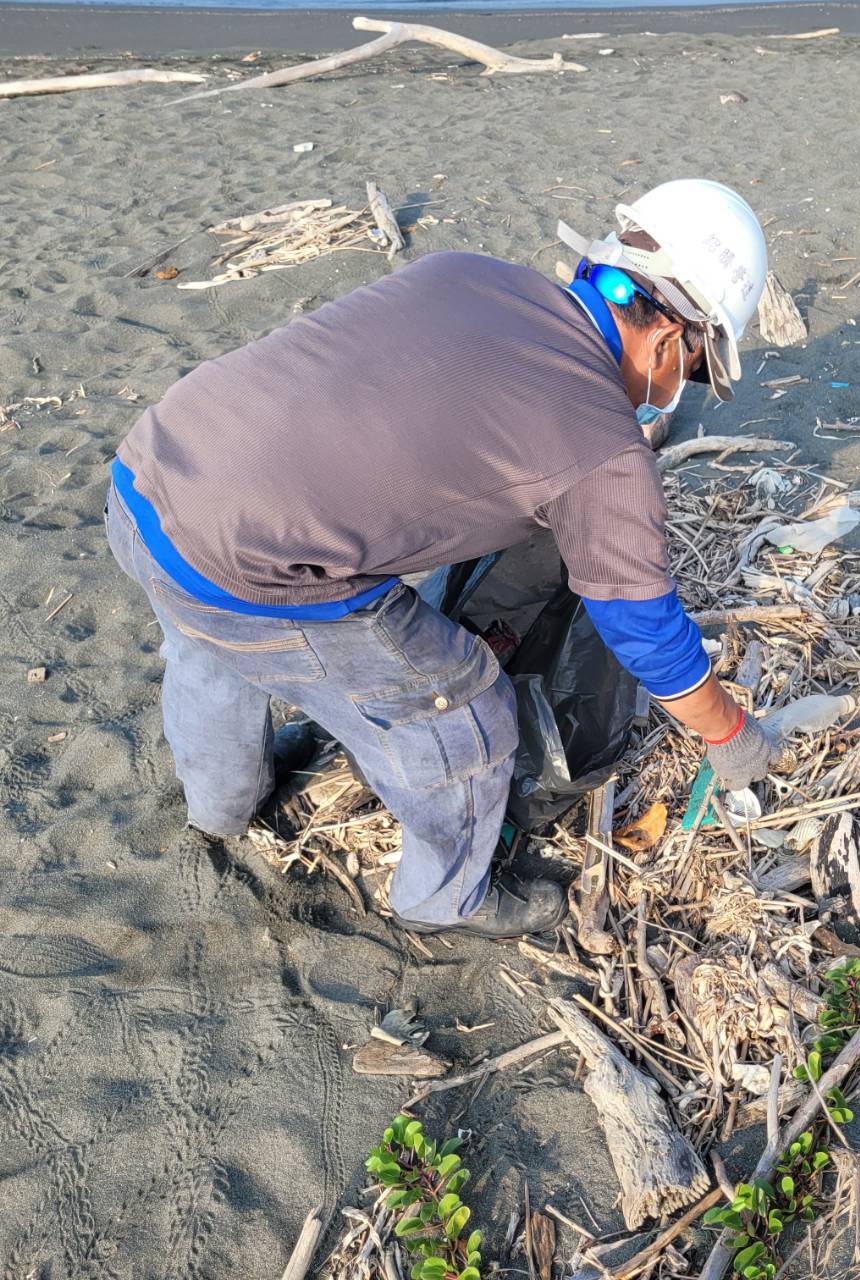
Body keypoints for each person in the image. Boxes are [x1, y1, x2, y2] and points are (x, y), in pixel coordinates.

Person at [105, 178, 778, 940]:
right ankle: (443, 898)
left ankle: (221, 808)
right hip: (250, 576)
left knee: (206, 647)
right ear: (669, 342)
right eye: (693, 369)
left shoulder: (469, 271)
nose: (678, 387)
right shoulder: (605, 455)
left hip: (148, 478)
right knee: (469, 712)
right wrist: (732, 736)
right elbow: (647, 633)